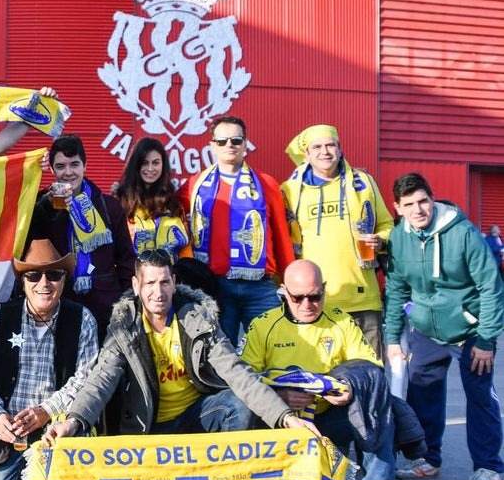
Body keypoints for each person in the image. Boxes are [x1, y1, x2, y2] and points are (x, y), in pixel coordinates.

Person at [46, 248, 319, 480]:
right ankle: (163, 477)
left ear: (174, 282)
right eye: (150, 283)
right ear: (136, 286)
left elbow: (238, 373)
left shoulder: (198, 318)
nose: (158, 291)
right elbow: (99, 381)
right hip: (149, 430)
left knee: (237, 402)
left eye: (164, 282)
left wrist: (286, 417)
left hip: (196, 417)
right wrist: (73, 421)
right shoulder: (123, 326)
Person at [241, 260, 402, 480]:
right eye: (298, 297)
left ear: (324, 289)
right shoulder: (263, 325)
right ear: (283, 291)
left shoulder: (342, 322)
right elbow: (245, 380)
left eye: (315, 296)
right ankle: (278, 477)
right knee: (246, 406)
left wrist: (351, 387)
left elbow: (371, 368)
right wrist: (278, 399)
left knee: (377, 400)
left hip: (329, 416)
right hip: (282, 420)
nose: (307, 305)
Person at [384, 173, 504, 480]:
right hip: (426, 329)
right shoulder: (399, 238)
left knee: (480, 397)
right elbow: (396, 290)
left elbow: (491, 288)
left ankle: (488, 466)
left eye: (423, 201)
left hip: (470, 330)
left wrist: (486, 339)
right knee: (422, 393)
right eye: (408, 204)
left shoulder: (464, 234)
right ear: (398, 207)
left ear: (432, 198)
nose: (418, 209)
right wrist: (393, 338)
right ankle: (427, 459)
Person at [0, 239, 98, 480]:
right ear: (23, 281)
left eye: (54, 275)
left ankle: (55, 477)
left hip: (59, 430)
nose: (44, 283)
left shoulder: (82, 319)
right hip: (12, 430)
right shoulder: (0, 316)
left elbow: (86, 379)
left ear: (64, 280)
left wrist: (46, 411)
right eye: (34, 275)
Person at [281, 125, 393, 356]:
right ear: (307, 154)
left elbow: (387, 225)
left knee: (369, 374)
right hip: (313, 302)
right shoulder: (290, 190)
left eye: (331, 145)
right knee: (319, 375)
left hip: (363, 300)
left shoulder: (364, 183)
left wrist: (381, 241)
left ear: (340, 150)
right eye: (317, 147)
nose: (325, 151)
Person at [182, 116, 294, 345]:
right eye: (222, 141)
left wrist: (290, 280)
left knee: (274, 349)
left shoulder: (267, 184)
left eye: (236, 140)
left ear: (245, 144)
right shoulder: (196, 184)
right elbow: (161, 209)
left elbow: (281, 235)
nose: (229, 145)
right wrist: (125, 194)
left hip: (260, 287)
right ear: (212, 145)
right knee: (220, 357)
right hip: (217, 286)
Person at [28, 134, 135, 334]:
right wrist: (47, 208)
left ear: (85, 166)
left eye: (74, 164)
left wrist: (124, 302)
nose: (68, 172)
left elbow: (126, 260)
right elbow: (27, 251)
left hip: (105, 308)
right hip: (58, 306)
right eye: (61, 166)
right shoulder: (41, 204)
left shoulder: (108, 206)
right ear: (51, 169)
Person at [115, 137, 191, 261]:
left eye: (156, 163)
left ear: (163, 165)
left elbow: (185, 248)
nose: (150, 169)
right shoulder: (120, 202)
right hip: (134, 277)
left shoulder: (174, 203)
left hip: (171, 277)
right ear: (136, 165)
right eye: (145, 163)